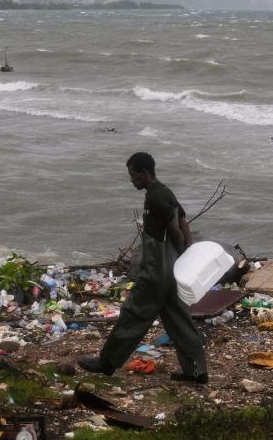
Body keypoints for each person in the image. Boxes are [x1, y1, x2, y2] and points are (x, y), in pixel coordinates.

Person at [77, 152, 208, 384]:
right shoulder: (165, 192)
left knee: (133, 314)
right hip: (171, 270)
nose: (131, 180)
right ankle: (197, 373)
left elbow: (176, 230)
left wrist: (181, 251)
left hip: (157, 269)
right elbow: (183, 222)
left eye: (133, 175)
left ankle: (106, 363)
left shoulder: (155, 197)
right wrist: (186, 255)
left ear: (145, 173)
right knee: (180, 322)